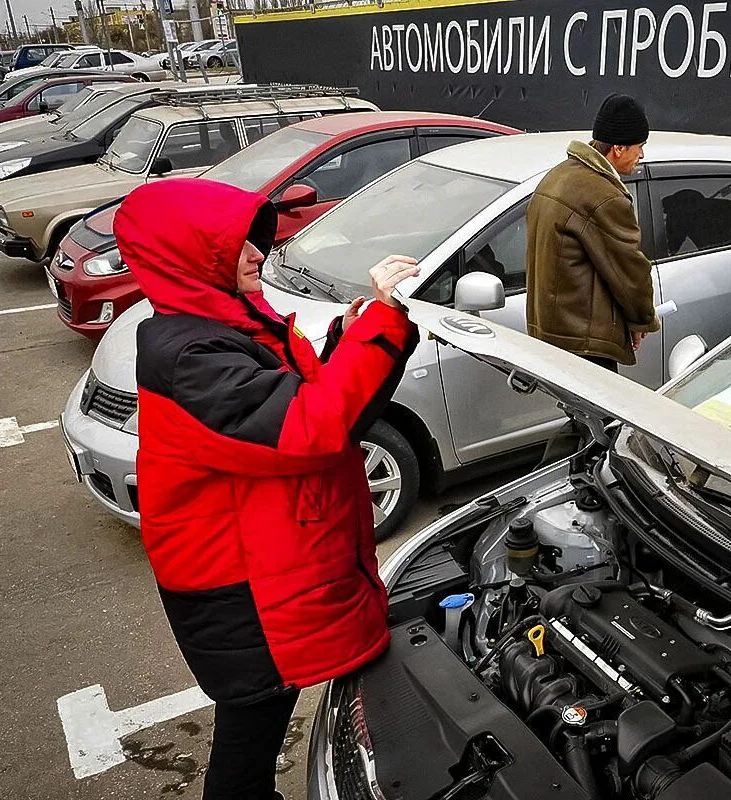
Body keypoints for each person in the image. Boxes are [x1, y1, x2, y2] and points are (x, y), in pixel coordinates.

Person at [113, 177, 420, 800]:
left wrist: (352, 326)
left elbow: (295, 395)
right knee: (251, 736)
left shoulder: (218, 324)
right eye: (237, 246)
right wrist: (383, 322)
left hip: (268, 572)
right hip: (244, 592)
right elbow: (312, 426)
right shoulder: (192, 356)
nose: (258, 253)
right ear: (194, 259)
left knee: (269, 718)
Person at [525, 92, 660, 373]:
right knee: (598, 418)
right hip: (585, 344)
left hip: (552, 335)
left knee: (577, 416)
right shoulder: (604, 196)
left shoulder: (558, 176)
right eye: (640, 145)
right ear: (619, 148)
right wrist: (641, 321)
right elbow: (629, 271)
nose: (642, 154)